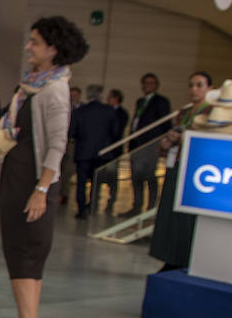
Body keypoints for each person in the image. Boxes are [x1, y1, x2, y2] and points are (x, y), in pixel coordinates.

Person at [0, 16, 87, 318]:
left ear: (53, 49)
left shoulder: (54, 91)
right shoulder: (34, 84)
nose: (29, 46)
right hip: (18, 176)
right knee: (20, 248)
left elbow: (57, 145)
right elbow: (23, 135)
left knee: (27, 249)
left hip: (32, 181)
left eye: (35, 42)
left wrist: (41, 190)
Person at [150, 71, 212, 269]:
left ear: (209, 88)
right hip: (175, 167)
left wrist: (184, 138)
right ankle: (169, 257)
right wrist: (167, 142)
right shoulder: (184, 113)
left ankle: (182, 259)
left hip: (194, 172)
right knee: (169, 214)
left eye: (199, 85)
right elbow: (168, 144)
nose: (194, 89)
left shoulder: (211, 113)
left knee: (185, 218)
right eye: (191, 85)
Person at [68, 85, 122, 219]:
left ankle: (81, 210)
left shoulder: (80, 111)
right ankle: (92, 206)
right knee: (96, 182)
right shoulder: (109, 111)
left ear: (88, 95)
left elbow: (71, 132)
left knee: (81, 182)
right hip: (102, 154)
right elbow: (116, 132)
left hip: (83, 152)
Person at [125, 73, 172, 215]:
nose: (147, 86)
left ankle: (150, 209)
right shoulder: (140, 101)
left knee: (149, 176)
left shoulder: (161, 101)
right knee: (136, 177)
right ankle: (136, 206)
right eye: (145, 83)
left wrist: (163, 143)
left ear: (156, 85)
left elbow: (165, 123)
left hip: (150, 145)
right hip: (137, 145)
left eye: (151, 83)